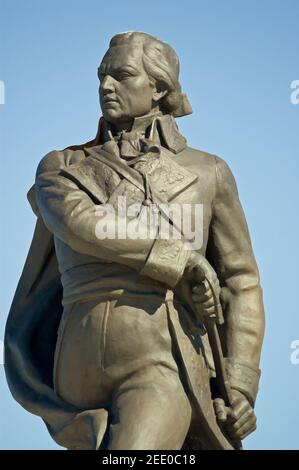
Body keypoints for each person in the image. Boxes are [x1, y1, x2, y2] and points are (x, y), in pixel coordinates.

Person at [5, 32, 265, 450]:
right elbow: (78, 222)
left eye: (121, 75)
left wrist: (239, 386)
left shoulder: (209, 172)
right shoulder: (63, 165)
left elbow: (241, 281)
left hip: (161, 358)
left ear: (159, 87)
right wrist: (176, 259)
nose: (105, 86)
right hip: (74, 367)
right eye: (101, 77)